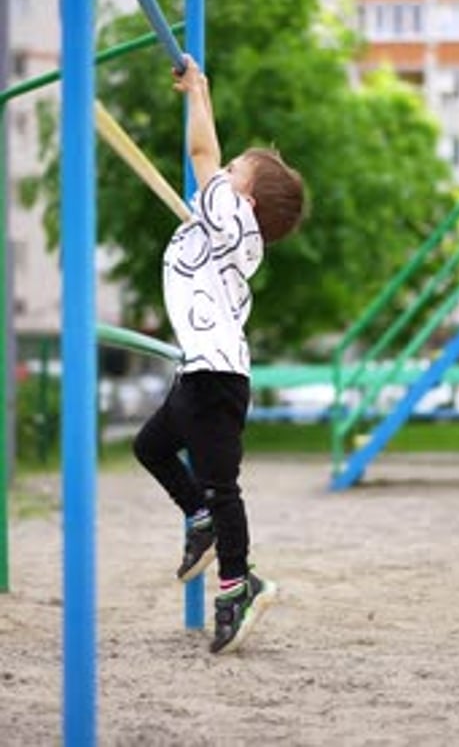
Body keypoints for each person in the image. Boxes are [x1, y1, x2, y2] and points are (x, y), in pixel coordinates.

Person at [133, 54, 305, 654]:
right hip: (199, 375)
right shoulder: (225, 225)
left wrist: (197, 91)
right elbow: (212, 169)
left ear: (248, 203)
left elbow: (204, 156)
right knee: (150, 446)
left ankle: (239, 584)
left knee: (221, 483)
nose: (222, 173)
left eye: (236, 173)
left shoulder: (235, 223)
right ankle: (199, 522)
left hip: (216, 378)